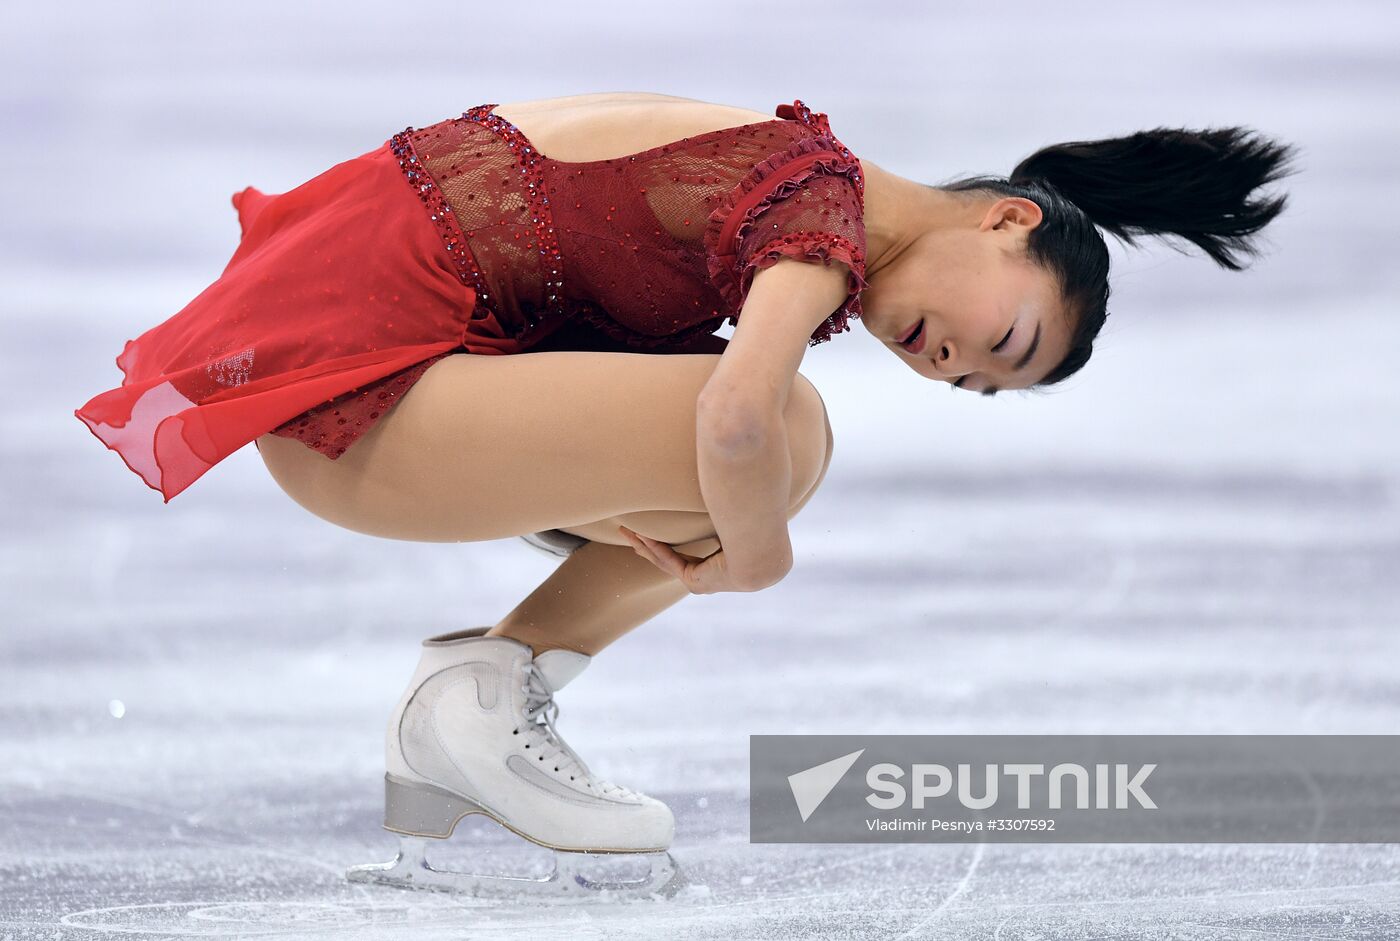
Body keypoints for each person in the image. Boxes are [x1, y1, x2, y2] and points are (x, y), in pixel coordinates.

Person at [72, 92, 1297, 896]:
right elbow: (737, 417)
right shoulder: (820, 217)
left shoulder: (806, 183)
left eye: (981, 386)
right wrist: (757, 559)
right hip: (358, 400)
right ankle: (484, 693)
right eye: (1007, 338)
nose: (953, 366)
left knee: (748, 446)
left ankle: (482, 694)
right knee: (785, 438)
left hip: (370, 389)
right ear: (1005, 220)